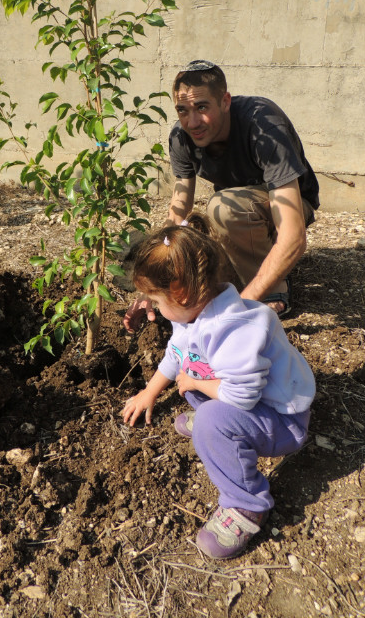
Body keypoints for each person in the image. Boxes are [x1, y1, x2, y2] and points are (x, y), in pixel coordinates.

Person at [122, 215, 315, 559]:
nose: (155, 308)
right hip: (254, 403)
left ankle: (246, 505)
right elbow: (177, 354)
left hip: (284, 421)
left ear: (180, 293)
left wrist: (196, 382)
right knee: (192, 380)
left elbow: (242, 395)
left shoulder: (232, 328)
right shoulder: (196, 311)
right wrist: (150, 392)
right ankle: (222, 428)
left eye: (156, 300)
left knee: (207, 411)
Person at [124, 60, 319, 329]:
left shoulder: (264, 126)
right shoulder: (181, 138)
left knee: (222, 208)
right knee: (194, 234)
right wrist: (152, 288)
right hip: (242, 209)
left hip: (292, 204)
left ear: (225, 101)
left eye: (202, 107)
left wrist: (242, 306)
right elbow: (178, 213)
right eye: (182, 110)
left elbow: (294, 236)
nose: (192, 122)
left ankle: (274, 292)